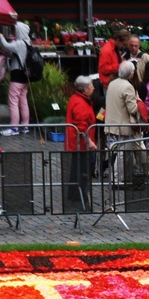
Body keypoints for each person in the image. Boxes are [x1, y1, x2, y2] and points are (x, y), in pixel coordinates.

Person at [104, 60, 145, 189]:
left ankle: (117, 178)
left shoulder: (112, 84)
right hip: (123, 127)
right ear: (131, 74)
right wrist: (139, 102)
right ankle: (117, 180)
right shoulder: (128, 86)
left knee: (114, 153)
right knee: (121, 155)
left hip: (111, 125)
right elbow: (132, 109)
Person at [64, 75, 97, 211]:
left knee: (78, 170)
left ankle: (75, 196)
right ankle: (79, 198)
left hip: (78, 144)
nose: (93, 88)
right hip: (80, 145)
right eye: (91, 86)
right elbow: (81, 127)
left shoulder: (78, 99)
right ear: (85, 89)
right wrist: (89, 142)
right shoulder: (80, 103)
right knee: (82, 171)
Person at [0, 21, 30, 134]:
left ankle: (14, 127)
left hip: (17, 75)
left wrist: (1, 37)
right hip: (25, 76)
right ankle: (25, 126)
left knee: (13, 102)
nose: (13, 32)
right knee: (23, 101)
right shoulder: (28, 42)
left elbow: (6, 46)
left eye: (14, 30)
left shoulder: (20, 43)